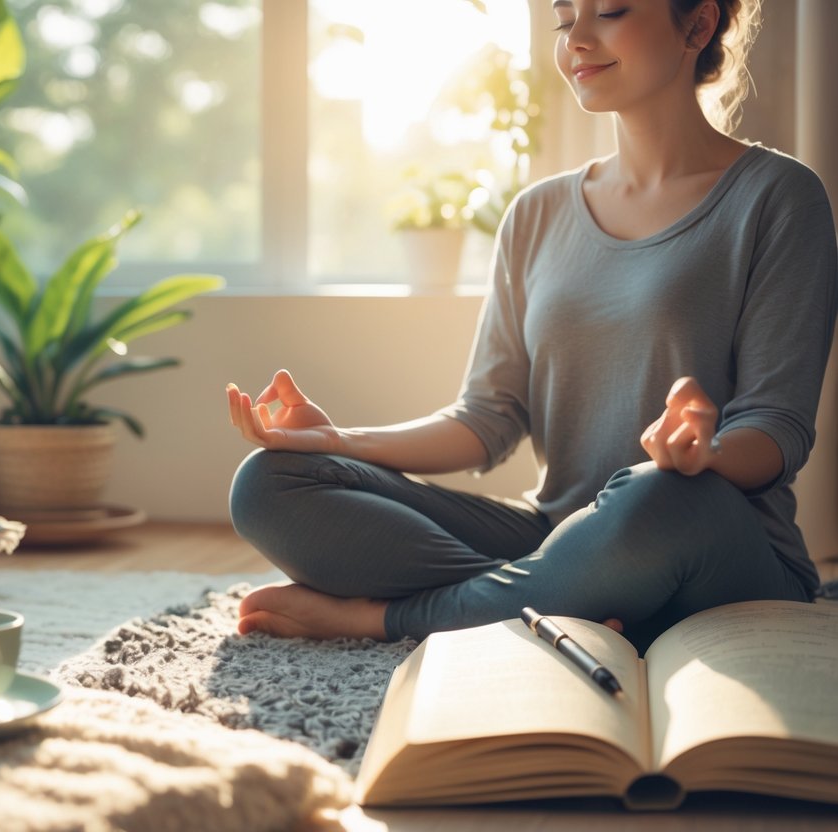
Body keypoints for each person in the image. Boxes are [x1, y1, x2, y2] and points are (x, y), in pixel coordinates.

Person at [224, 0, 837, 651]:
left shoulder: (778, 197)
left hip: (704, 536)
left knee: (657, 496)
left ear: (696, 24)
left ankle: (383, 618)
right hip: (558, 533)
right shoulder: (535, 213)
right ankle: (567, 595)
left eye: (609, 11)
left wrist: (703, 455)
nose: (576, 38)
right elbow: (486, 418)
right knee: (268, 482)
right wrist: (336, 441)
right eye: (562, 16)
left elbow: (777, 427)